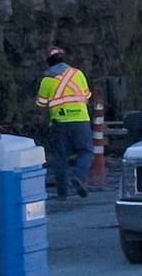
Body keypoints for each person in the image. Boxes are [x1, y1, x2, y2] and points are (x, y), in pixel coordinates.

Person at [36, 45, 98, 196]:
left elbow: (41, 103)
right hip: (81, 120)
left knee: (60, 157)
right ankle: (79, 176)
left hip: (59, 123)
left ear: (48, 62)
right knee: (86, 152)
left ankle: (62, 193)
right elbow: (87, 95)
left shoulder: (47, 80)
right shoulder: (78, 74)